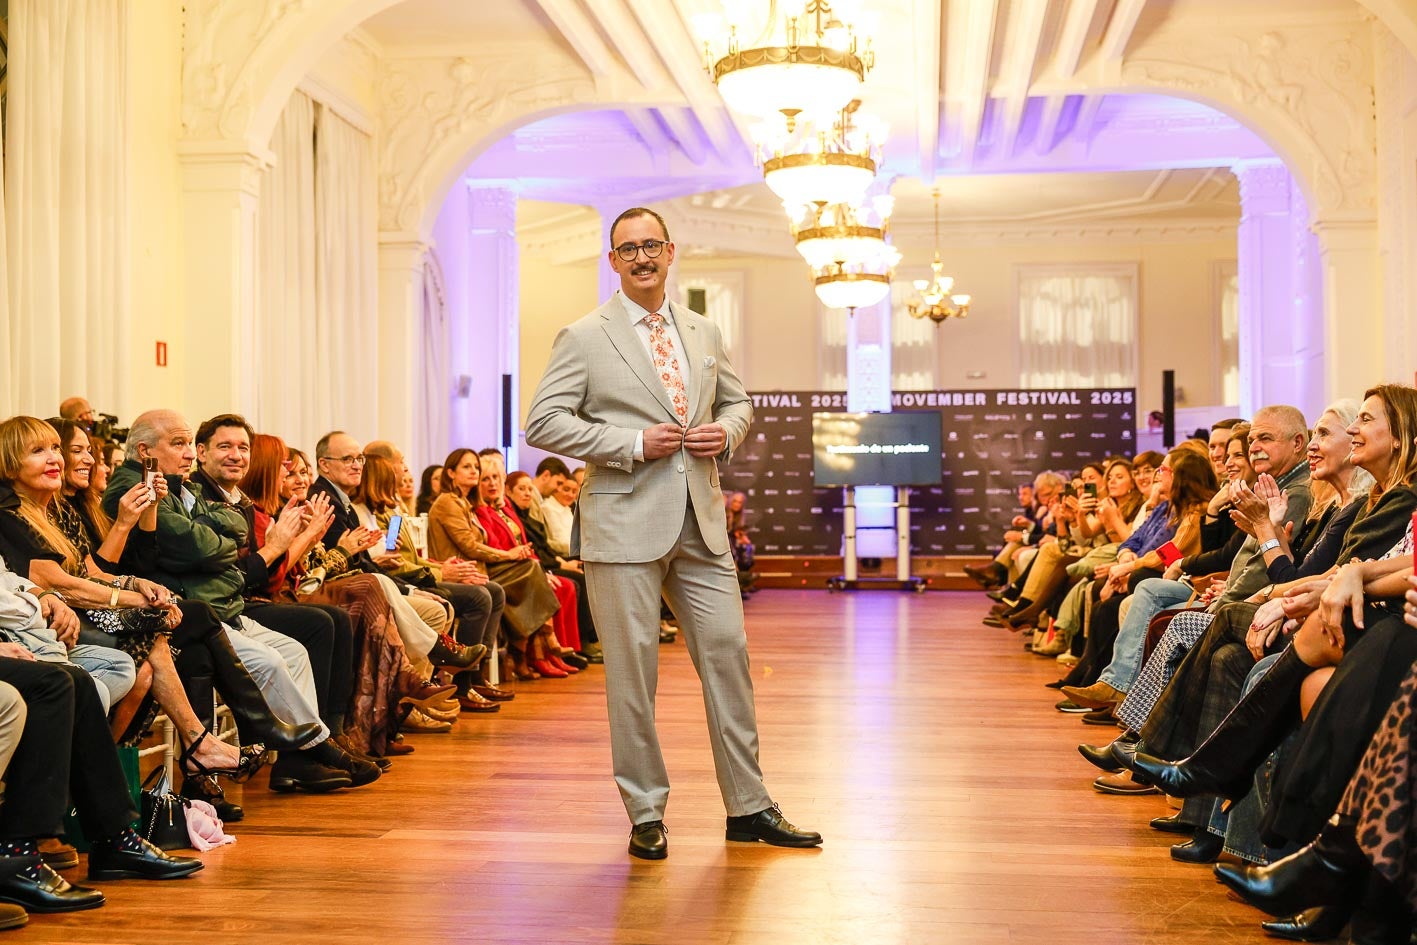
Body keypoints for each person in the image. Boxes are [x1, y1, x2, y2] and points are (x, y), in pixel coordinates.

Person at [525, 205, 820, 860]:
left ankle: (748, 805)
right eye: (626, 248)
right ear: (612, 261)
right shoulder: (584, 335)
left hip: (701, 521)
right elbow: (541, 421)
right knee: (633, 675)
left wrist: (729, 430)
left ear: (670, 250)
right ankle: (645, 811)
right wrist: (628, 441)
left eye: (650, 244)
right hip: (622, 520)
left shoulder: (702, 329)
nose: (640, 257)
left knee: (728, 659)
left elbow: (738, 402)